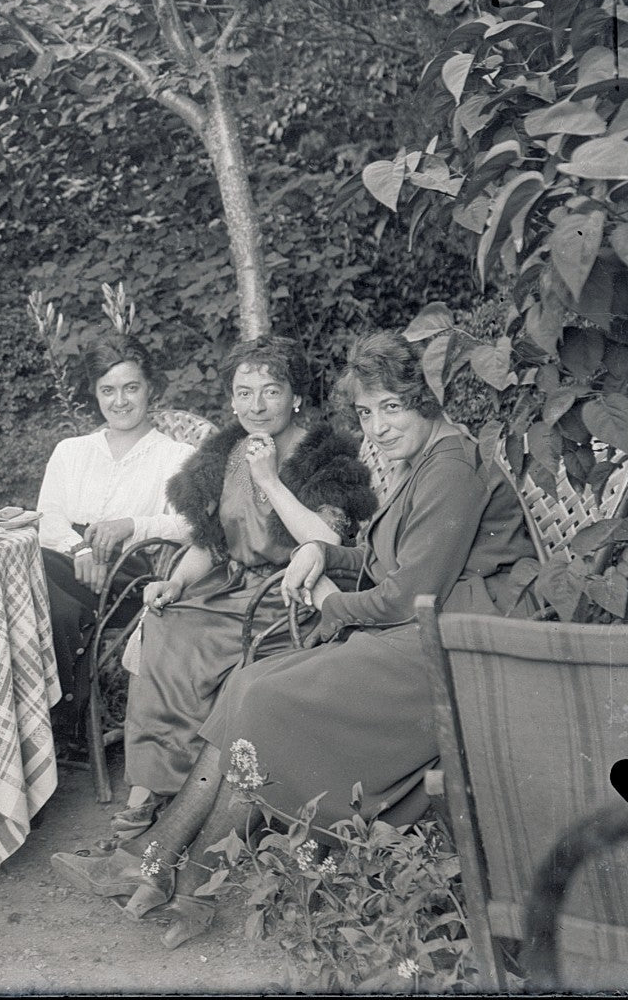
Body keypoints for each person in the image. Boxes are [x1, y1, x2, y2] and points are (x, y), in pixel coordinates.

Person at [50, 331, 535, 948]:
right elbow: (390, 563)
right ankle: (152, 861)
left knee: (263, 698)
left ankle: (194, 880)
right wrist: (325, 553)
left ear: (426, 399)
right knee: (248, 686)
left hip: (454, 650)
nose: (379, 428)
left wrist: (328, 596)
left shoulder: (452, 468)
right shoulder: (428, 461)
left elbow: (406, 595)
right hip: (419, 632)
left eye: (392, 407)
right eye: (366, 412)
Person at [110, 336, 377, 836]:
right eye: (244, 392)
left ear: (296, 396)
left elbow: (327, 542)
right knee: (166, 628)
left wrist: (271, 479)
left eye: (271, 391)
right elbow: (208, 543)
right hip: (225, 589)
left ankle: (202, 798)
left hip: (287, 597)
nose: (256, 405)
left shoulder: (325, 453)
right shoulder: (223, 452)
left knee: (206, 647)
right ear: (231, 399)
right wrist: (174, 580)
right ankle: (152, 788)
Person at [35, 332, 197, 755]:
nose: (120, 401)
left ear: (150, 389)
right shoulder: (71, 451)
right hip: (67, 563)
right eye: (108, 390)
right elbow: (47, 515)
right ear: (95, 394)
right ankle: (65, 712)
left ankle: (50, 721)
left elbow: (189, 525)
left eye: (131, 388)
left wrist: (130, 524)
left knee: (31, 585)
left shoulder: (174, 456)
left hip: (128, 578)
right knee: (33, 572)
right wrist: (80, 550)